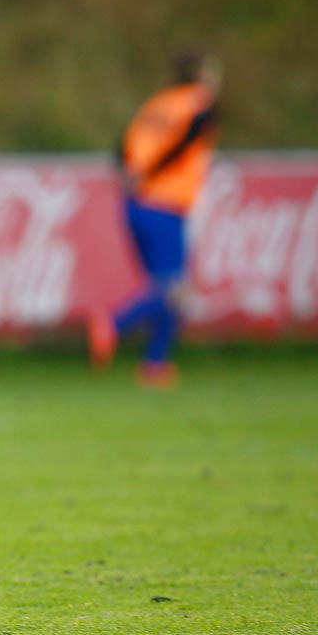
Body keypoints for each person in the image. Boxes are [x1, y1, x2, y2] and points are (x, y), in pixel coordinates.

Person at [88, 50, 222, 387]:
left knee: (168, 286)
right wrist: (148, 174)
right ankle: (113, 325)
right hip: (165, 204)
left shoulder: (157, 105)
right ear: (202, 75)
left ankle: (155, 364)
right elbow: (181, 146)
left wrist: (127, 173)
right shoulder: (199, 106)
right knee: (173, 288)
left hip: (135, 204)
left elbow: (121, 146)